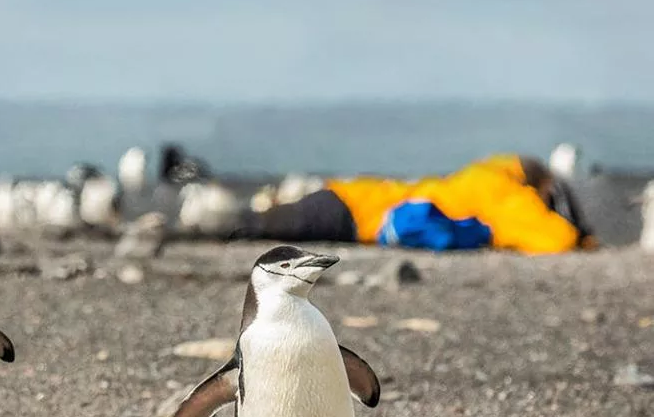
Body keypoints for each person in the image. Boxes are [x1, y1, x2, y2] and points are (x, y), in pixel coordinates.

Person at [230, 154, 597, 254]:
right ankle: (192, 230)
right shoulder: (507, 193)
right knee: (252, 227)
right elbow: (556, 240)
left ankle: (204, 228)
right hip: (354, 212)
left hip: (351, 197)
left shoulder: (486, 173)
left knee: (256, 225)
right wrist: (574, 231)